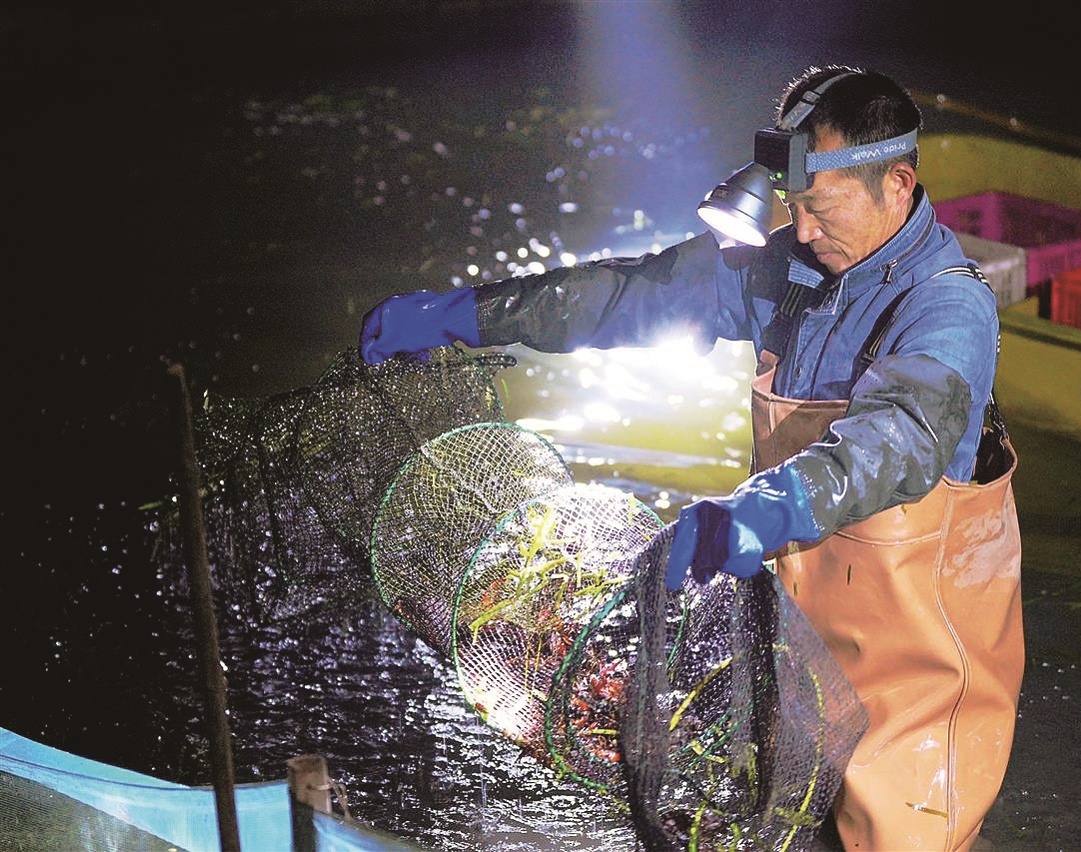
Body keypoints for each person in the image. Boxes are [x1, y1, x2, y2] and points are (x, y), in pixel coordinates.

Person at [358, 64, 1025, 852]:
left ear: (896, 184)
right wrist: (467, 316)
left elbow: (900, 440)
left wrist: (768, 507)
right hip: (804, 650)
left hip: (913, 680)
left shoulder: (946, 307)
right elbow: (630, 296)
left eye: (820, 207)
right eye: (792, 205)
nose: (802, 230)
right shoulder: (793, 269)